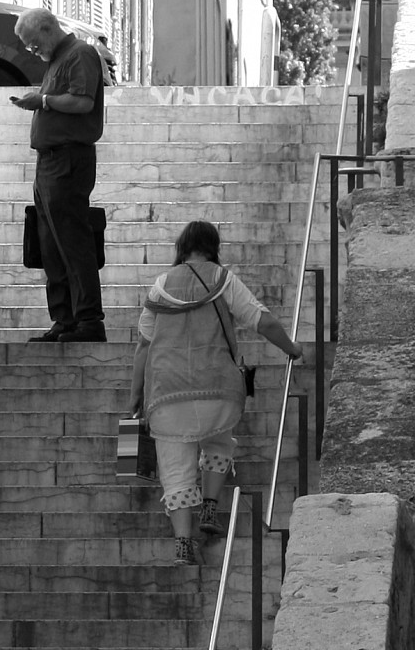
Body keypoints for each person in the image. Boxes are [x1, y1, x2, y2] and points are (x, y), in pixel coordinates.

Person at [130, 218, 304, 564]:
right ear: (214, 247)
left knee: (175, 467)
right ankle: (210, 507)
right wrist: (292, 349)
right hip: (218, 388)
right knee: (218, 440)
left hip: (166, 392)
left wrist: (134, 397)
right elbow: (263, 320)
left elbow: (143, 347)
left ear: (182, 247)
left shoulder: (160, 286)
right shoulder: (223, 280)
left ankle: (184, 545)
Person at [11, 9, 107, 343]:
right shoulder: (58, 58)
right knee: (50, 244)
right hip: (50, 161)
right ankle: (64, 320)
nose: (31, 51)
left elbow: (82, 101)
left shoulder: (80, 53)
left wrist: (43, 101)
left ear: (49, 28)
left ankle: (88, 320)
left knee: (72, 241)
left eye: (34, 43)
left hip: (69, 159)